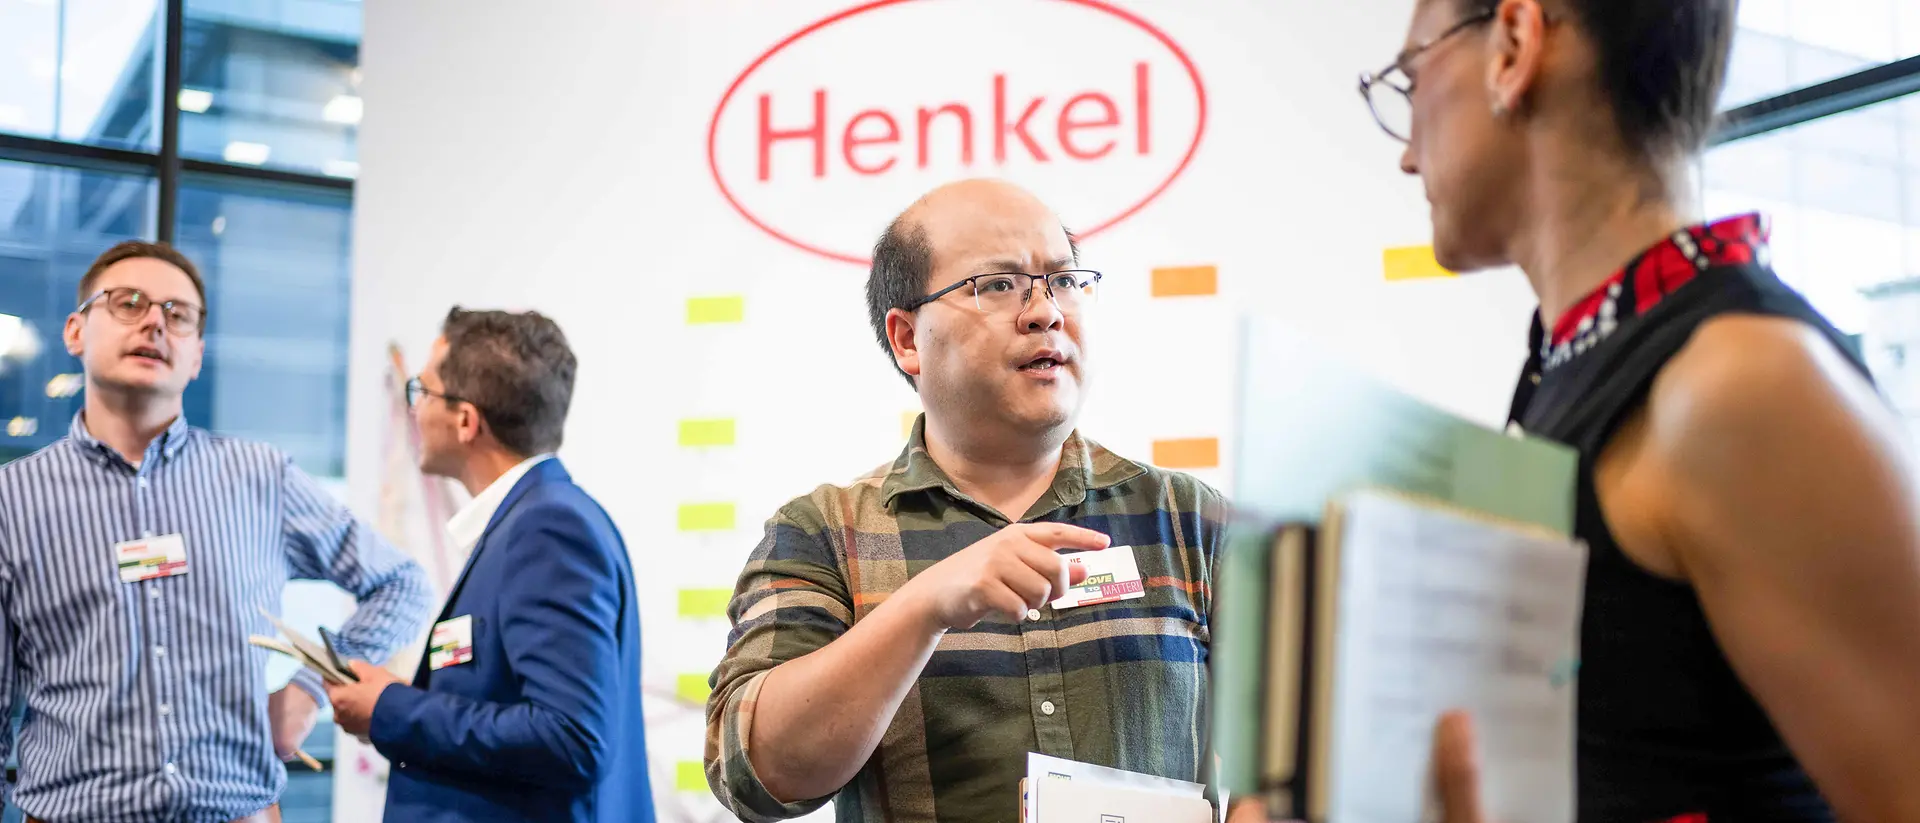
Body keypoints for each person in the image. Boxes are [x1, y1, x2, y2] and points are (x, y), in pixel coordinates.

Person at [1325, 0, 1920, 820]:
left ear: (1513, 45)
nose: (1404, 153)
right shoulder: (1579, 369)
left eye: (1411, 75)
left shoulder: (1738, 384)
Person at [703, 178, 1229, 823]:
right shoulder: (822, 533)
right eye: (997, 285)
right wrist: (925, 607)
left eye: (1062, 280)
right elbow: (756, 774)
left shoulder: (1189, 519)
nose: (1045, 312)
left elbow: (1293, 747)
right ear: (907, 340)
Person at [0, 240, 433, 823]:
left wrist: (309, 688)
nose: (155, 320)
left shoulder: (260, 477)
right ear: (76, 332)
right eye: (128, 303)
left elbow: (402, 583)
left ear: (196, 354)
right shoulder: (13, 499)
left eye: (178, 315)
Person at [324, 307, 655, 823]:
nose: (414, 410)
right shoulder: (532, 521)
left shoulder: (548, 529)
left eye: (423, 392)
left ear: (465, 420)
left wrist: (392, 708)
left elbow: (569, 737)